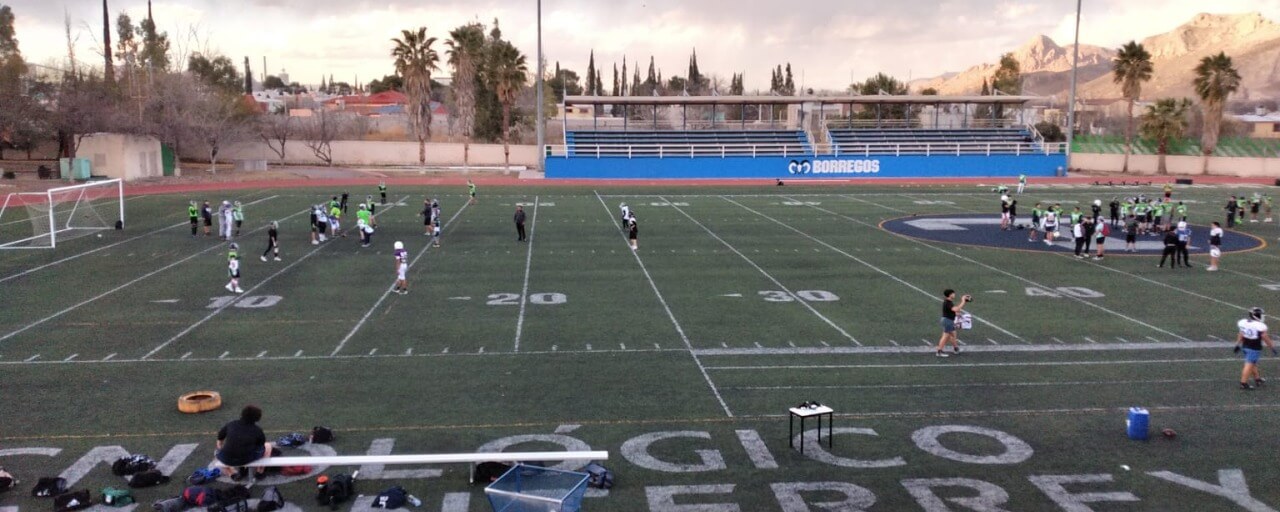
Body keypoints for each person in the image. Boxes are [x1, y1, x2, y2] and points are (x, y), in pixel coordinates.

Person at [216, 405, 273, 480]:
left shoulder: (231, 424)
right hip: (246, 459)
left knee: (217, 454)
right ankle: (260, 471)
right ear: (257, 418)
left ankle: (232, 474)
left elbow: (219, 439)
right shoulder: (257, 430)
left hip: (227, 458)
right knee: (268, 446)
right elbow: (260, 447)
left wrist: (222, 448)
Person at [1234, 307, 1275, 390]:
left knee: (1252, 363)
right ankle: (1243, 383)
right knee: (1249, 364)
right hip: (1254, 346)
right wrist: (1272, 347)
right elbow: (1264, 336)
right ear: (1256, 316)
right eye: (1261, 315)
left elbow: (1241, 333)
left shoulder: (1243, 322)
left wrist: (1237, 344)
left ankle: (1257, 379)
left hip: (1245, 345)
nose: (1262, 316)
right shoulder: (1260, 326)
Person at [935, 289, 970, 357]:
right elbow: (956, 309)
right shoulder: (948, 302)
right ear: (950, 295)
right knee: (946, 336)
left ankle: (956, 349)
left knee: (953, 335)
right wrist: (963, 301)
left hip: (948, 320)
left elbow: (951, 311)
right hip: (948, 321)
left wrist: (957, 314)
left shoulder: (949, 302)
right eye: (953, 293)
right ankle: (939, 351)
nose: (954, 295)